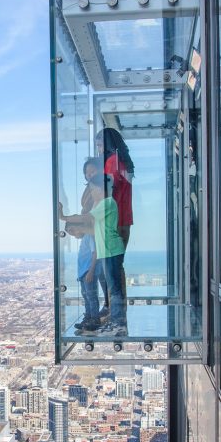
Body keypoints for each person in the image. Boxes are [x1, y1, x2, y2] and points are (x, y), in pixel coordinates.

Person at [63, 174, 127, 336]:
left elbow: (86, 217)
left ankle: (118, 324)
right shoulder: (103, 206)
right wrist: (78, 230)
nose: (91, 193)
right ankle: (115, 322)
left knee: (114, 289)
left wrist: (63, 217)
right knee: (112, 289)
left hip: (112, 250)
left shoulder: (107, 203)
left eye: (92, 189)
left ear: (101, 189)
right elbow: (94, 231)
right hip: (108, 251)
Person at [60, 158, 104, 334]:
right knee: (87, 295)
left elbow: (87, 219)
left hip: (89, 268)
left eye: (93, 171)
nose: (90, 175)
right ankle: (88, 318)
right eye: (87, 172)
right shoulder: (88, 234)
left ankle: (94, 319)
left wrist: (64, 217)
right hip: (83, 268)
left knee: (91, 295)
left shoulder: (94, 228)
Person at [95, 128, 134, 319]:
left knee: (109, 270)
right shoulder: (124, 164)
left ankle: (113, 310)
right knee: (116, 267)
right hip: (125, 219)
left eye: (100, 145)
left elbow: (106, 191)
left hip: (113, 220)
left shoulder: (111, 163)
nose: (99, 150)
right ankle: (116, 309)